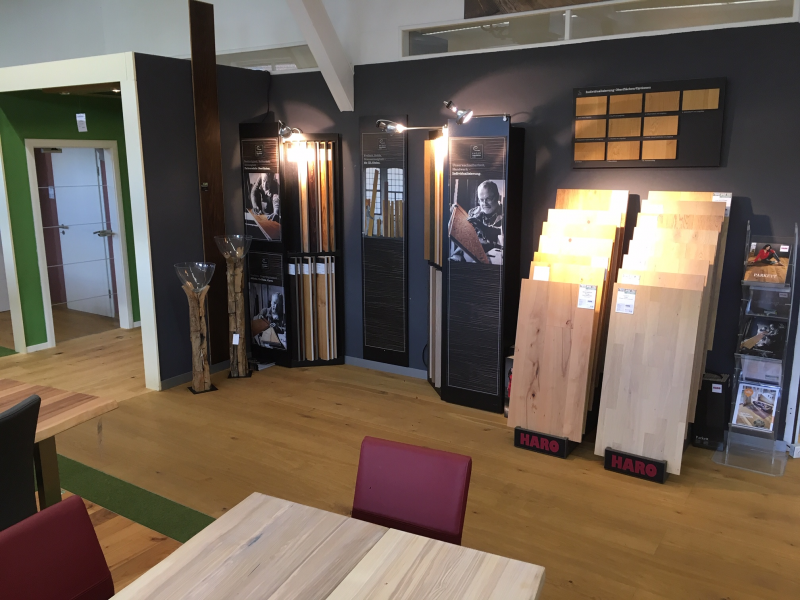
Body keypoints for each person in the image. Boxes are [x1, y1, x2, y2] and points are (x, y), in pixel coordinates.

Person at [451, 180, 504, 263]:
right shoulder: (473, 212)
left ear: (497, 197)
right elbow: (466, 238)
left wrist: (482, 227)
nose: (484, 203)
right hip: (469, 257)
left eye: (488, 199)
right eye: (481, 200)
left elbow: (499, 236)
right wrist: (455, 216)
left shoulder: (505, 214)